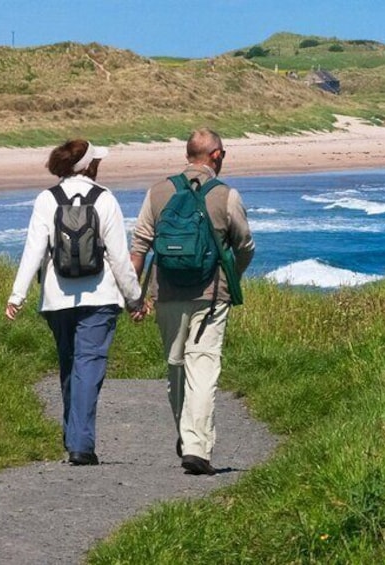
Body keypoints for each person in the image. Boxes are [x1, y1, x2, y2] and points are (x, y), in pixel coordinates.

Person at [6, 139, 147, 466]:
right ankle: (81, 444)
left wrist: (17, 295)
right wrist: (135, 299)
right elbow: (119, 258)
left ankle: (73, 437)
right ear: (88, 166)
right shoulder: (105, 199)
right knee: (89, 365)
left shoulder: (46, 199)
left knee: (71, 366)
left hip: (57, 299)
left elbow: (34, 251)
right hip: (100, 297)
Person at [130, 128, 255, 475]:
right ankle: (196, 446)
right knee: (203, 366)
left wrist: (135, 296)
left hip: (167, 292)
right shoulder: (225, 195)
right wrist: (232, 277)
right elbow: (245, 245)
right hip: (211, 296)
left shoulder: (158, 192)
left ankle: (187, 440)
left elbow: (139, 246)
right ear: (215, 155)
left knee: (176, 366)